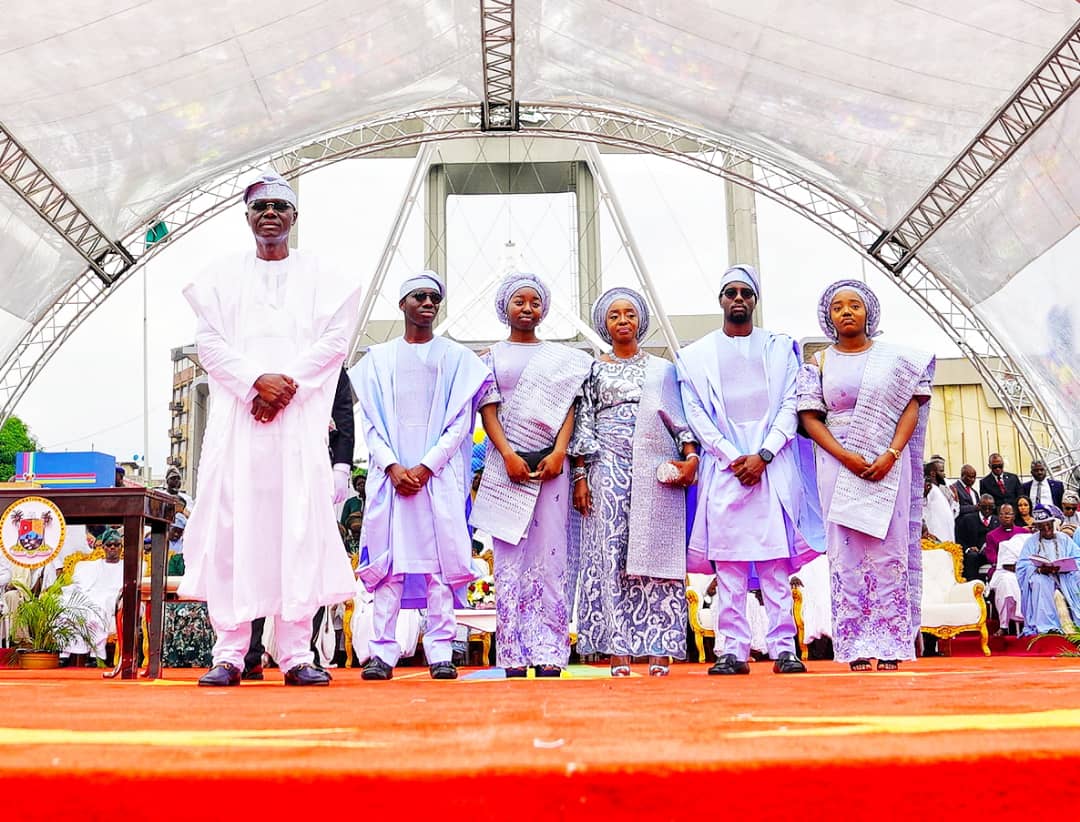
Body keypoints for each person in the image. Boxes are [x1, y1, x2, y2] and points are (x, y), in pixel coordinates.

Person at [181, 171, 362, 687]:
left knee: (297, 531)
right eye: (260, 207)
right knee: (234, 530)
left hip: (297, 428)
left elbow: (334, 343)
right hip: (240, 429)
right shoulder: (220, 277)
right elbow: (209, 345)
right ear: (247, 218)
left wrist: (287, 386)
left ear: (294, 217)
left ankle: (296, 655)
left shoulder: (323, 277)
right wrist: (254, 383)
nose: (270, 214)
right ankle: (230, 653)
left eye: (280, 206)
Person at [678, 265, 821, 676]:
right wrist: (729, 455)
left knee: (776, 563)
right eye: (730, 293)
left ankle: (784, 648)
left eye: (745, 293)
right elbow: (696, 415)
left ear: (755, 301)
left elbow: (791, 406)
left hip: (771, 470)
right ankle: (732, 650)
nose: (738, 299)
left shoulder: (779, 349)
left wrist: (764, 454)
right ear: (720, 301)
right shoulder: (696, 356)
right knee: (730, 567)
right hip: (724, 472)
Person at [352, 271, 492, 681]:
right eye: (419, 296)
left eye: (434, 297)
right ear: (402, 304)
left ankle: (441, 652)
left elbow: (460, 424)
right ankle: (381, 652)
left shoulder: (457, 359)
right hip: (389, 479)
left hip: (439, 478)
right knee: (389, 567)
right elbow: (371, 425)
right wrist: (393, 467)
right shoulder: (377, 361)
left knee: (438, 568)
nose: (428, 303)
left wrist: (426, 465)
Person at [797, 279, 933, 672]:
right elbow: (809, 417)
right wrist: (844, 456)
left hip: (889, 460)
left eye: (854, 305)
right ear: (828, 317)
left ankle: (891, 645)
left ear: (868, 312)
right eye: (838, 307)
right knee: (846, 552)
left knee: (889, 550)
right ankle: (855, 645)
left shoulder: (896, 361)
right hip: (837, 461)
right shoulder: (819, 363)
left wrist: (891, 454)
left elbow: (911, 405)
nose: (846, 312)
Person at [568, 287, 698, 677]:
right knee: (609, 555)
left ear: (640, 320)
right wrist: (580, 475)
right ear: (604, 325)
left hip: (655, 468)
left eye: (629, 314)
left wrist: (690, 457)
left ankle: (660, 647)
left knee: (655, 555)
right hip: (606, 468)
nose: (622, 320)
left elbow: (679, 419)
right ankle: (618, 650)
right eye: (614, 315)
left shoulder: (663, 371)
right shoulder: (593, 370)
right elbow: (583, 420)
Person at [470, 273, 592, 677]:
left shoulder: (566, 359)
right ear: (505, 307)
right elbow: (488, 407)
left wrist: (561, 453)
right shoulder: (489, 357)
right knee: (510, 558)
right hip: (506, 467)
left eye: (534, 302)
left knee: (551, 556)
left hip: (552, 469)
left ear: (544, 309)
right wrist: (506, 454)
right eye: (519, 301)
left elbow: (569, 409)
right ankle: (513, 655)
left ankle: (550, 653)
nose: (527, 308)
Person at [60, 528, 124, 664]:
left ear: (121, 547)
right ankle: (65, 652)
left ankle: (96, 653)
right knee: (69, 604)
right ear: (103, 547)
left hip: (113, 598)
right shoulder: (89, 566)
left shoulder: (127, 566)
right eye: (109, 544)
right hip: (90, 597)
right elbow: (79, 585)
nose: (112, 547)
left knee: (100, 604)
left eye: (116, 544)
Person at [1017, 505, 1080, 635]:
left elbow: (1077, 558)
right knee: (1039, 581)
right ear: (1038, 527)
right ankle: (1048, 627)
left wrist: (1066, 567)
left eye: (1049, 525)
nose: (1046, 528)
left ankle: (1074, 624)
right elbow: (1022, 567)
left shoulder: (1064, 539)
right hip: (1043, 577)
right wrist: (1039, 570)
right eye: (1042, 526)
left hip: (1065, 576)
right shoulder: (1031, 542)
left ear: (1053, 523)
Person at [954, 494, 999, 582]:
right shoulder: (967, 519)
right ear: (978, 506)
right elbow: (959, 538)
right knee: (972, 556)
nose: (987, 510)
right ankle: (972, 586)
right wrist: (968, 548)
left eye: (990, 507)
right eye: (984, 507)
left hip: (992, 554)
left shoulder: (998, 521)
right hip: (975, 554)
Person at [923, 464, 956, 543]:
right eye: (941, 471)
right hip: (937, 533)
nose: (944, 474)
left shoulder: (937, 488)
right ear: (933, 473)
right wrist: (924, 495)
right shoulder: (928, 488)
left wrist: (956, 501)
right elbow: (922, 508)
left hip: (947, 533)